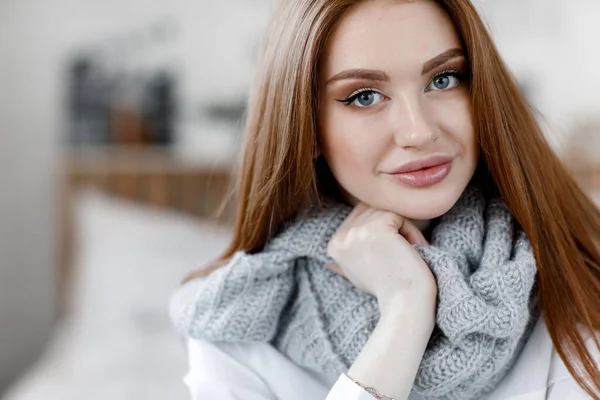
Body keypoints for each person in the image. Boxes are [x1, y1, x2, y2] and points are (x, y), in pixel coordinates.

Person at [169, 0, 600, 399]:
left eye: (443, 79)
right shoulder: (237, 328)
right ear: (307, 127)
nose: (419, 131)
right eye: (364, 96)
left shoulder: (575, 280)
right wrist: (407, 310)